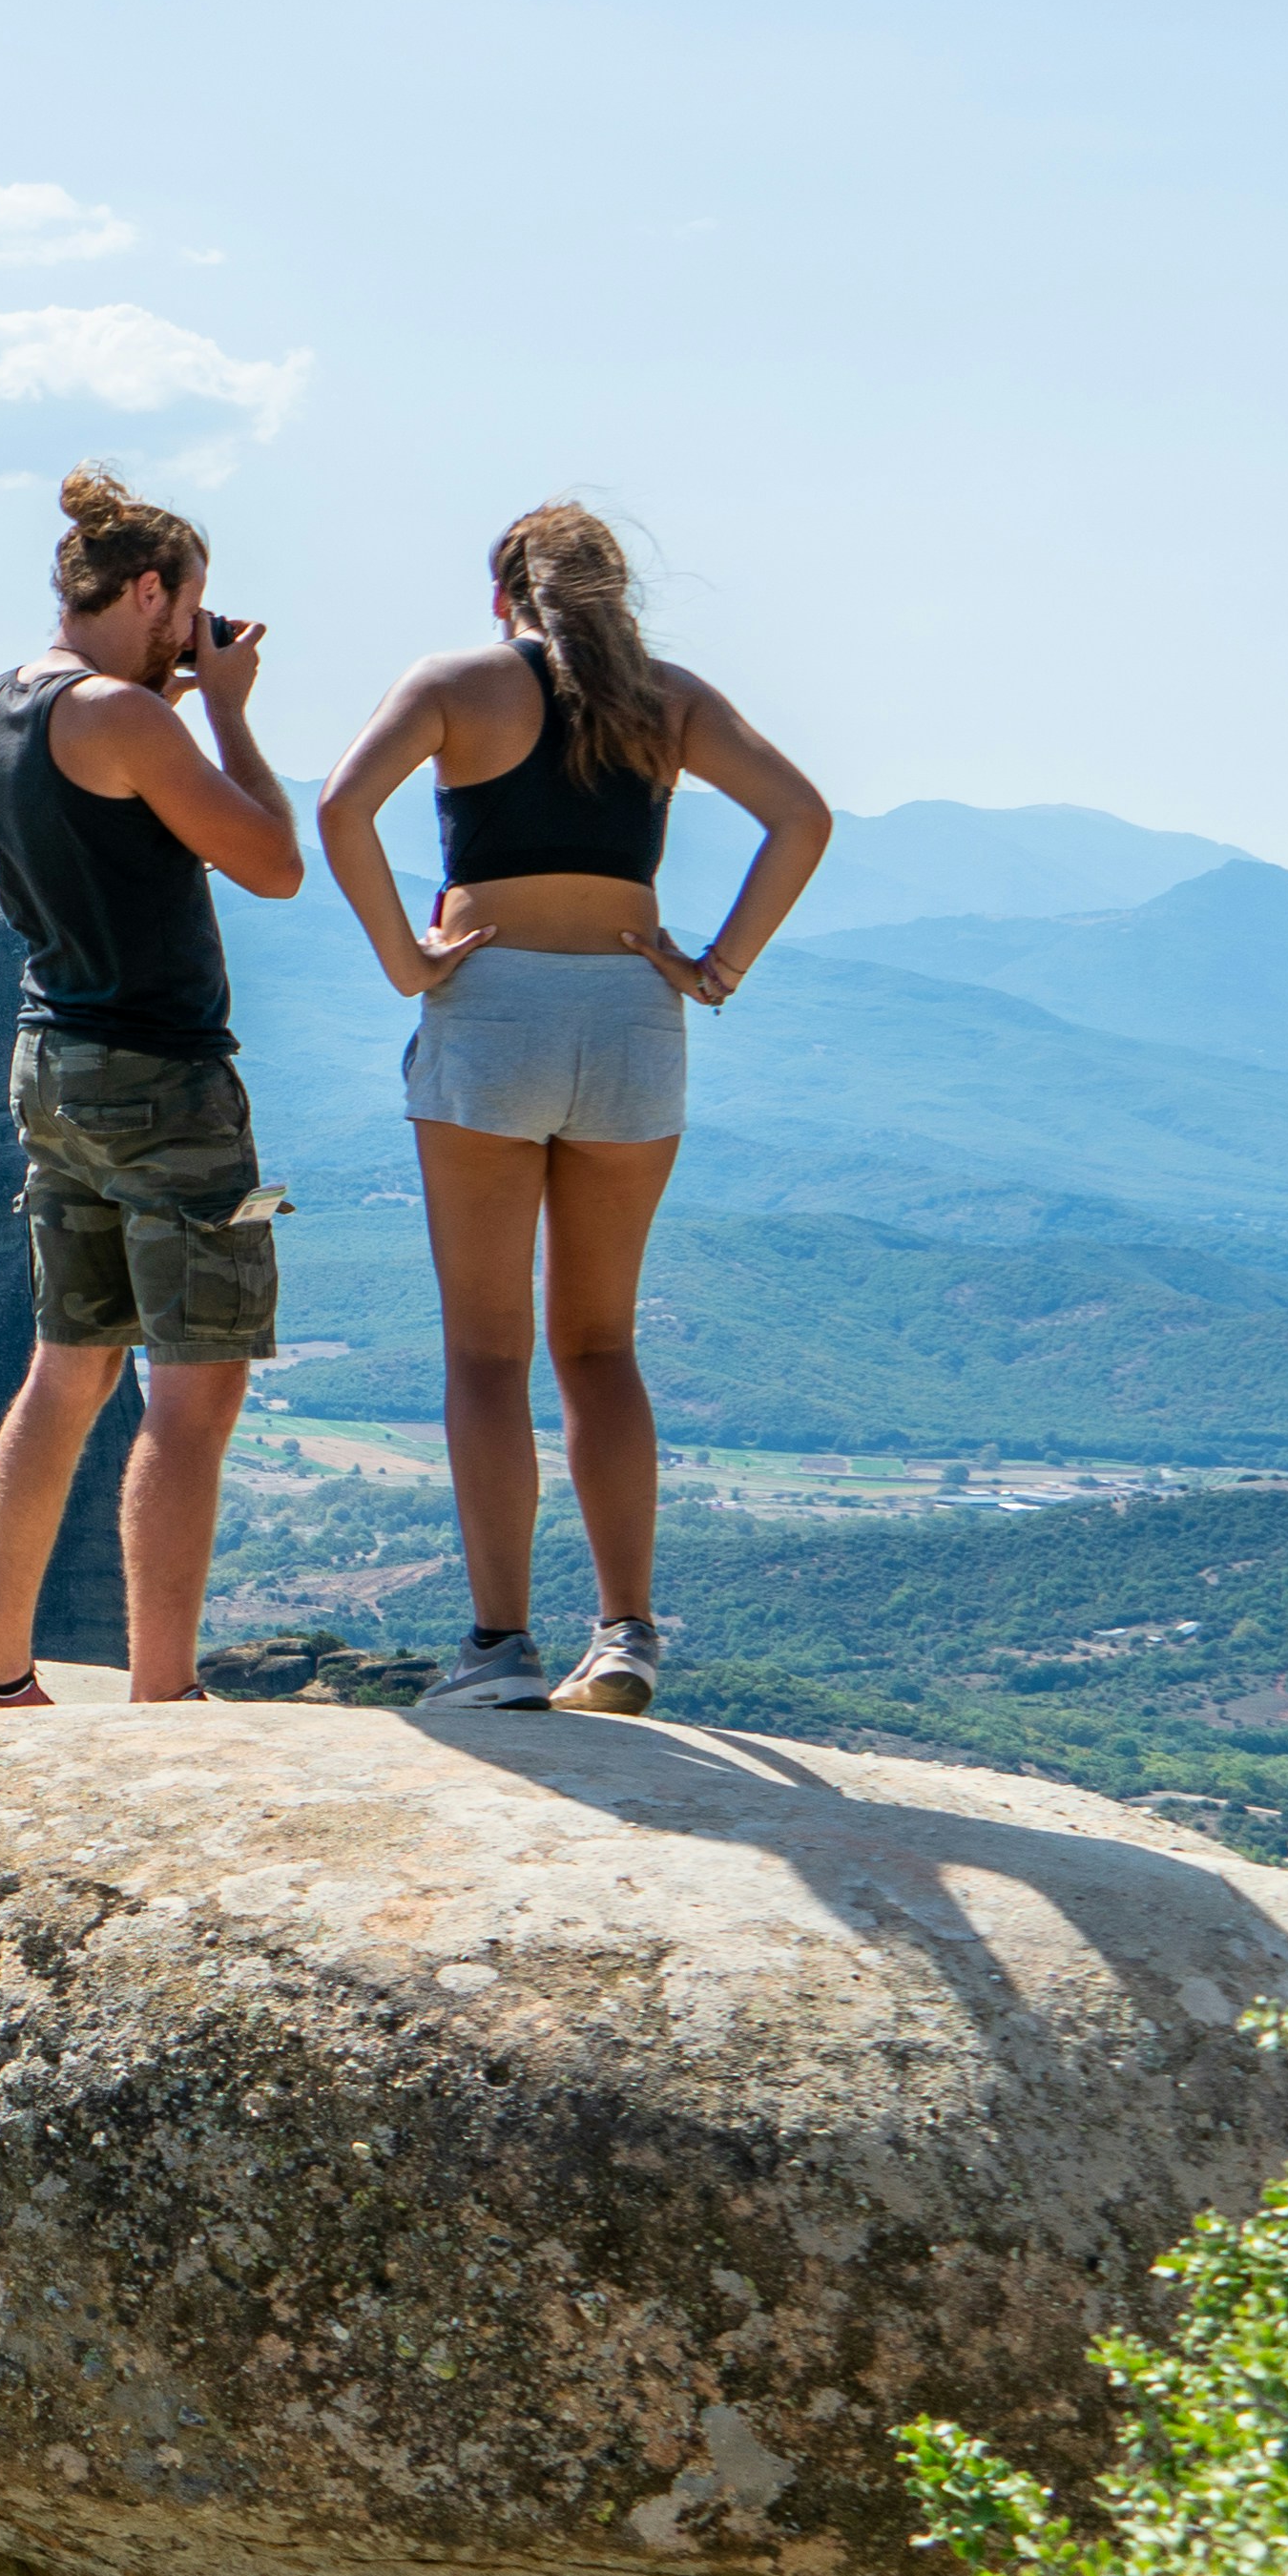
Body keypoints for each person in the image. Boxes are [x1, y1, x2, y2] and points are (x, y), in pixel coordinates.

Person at [311, 499, 836, 1716]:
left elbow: (341, 807)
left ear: (505, 596)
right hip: (631, 1020)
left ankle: (498, 1650)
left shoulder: (456, 681)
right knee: (599, 1348)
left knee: (484, 1354)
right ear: (615, 601)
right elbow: (801, 818)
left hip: (489, 1007)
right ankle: (626, 1636)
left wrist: (405, 958)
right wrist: (715, 968)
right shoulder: (671, 700)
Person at [0, 468, 302, 1710]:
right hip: (167, 1081)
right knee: (196, 1389)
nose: (194, 640)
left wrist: (179, 685)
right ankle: (165, 1696)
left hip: (49, 1065)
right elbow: (273, 863)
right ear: (149, 591)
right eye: (186, 612)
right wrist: (232, 711)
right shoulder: (128, 721)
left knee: (69, 1365)